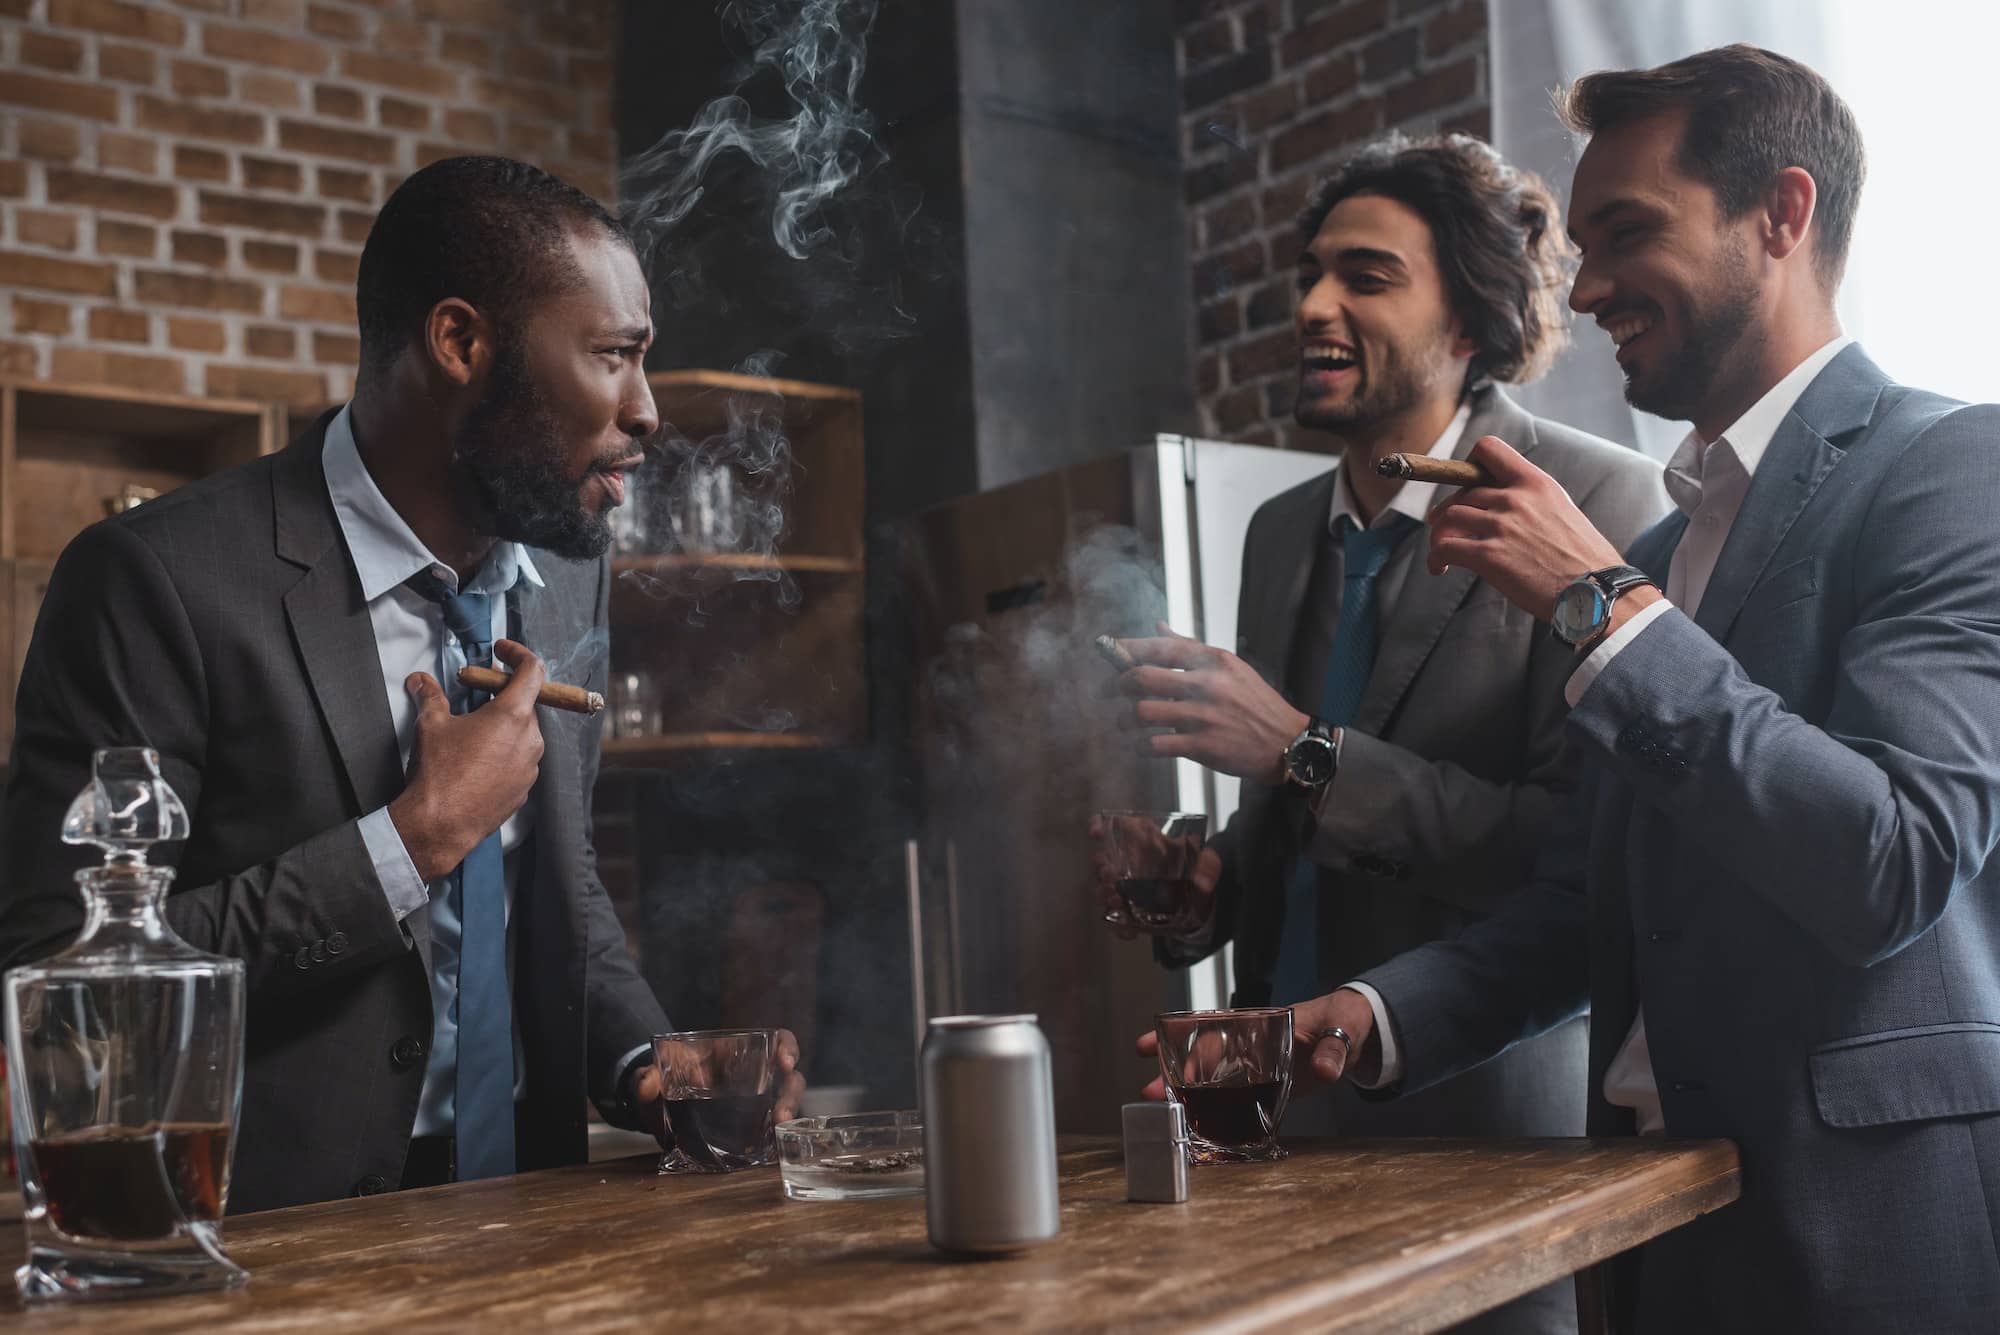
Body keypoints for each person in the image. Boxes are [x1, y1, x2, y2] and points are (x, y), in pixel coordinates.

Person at [1271, 46, 2000, 1332]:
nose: (1588, 284)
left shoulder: (1953, 469)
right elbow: (1586, 906)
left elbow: (1891, 858)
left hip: (1861, 1232)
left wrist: (1605, 613)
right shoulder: (1660, 551)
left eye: (1623, 234)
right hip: (1649, 1235)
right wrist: (1373, 1017)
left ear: (1779, 215)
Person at [0, 155, 800, 1213]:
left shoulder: (565, 571)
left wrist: (644, 1064)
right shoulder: (157, 581)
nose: (647, 410)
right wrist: (411, 841)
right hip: (269, 1241)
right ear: (459, 342)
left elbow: (559, 886)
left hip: (532, 1214)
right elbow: (58, 985)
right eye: (613, 356)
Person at [1102, 133, 1666, 1335]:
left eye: (1363, 277)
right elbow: (1293, 817)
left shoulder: (1604, 502)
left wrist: (1303, 751)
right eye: (1309, 274)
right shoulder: (1277, 530)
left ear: (1469, 317)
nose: (1311, 305)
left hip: (1481, 1146)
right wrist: (1210, 887)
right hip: (1268, 1138)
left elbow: (1571, 856)